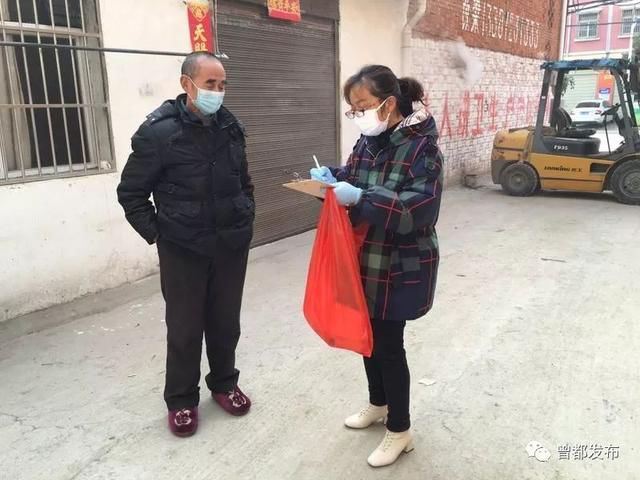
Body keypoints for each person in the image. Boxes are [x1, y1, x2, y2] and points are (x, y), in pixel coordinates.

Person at [310, 65, 443, 467]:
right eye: (353, 109)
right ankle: (378, 403)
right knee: (367, 337)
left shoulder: (423, 148)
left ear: (388, 103)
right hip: (365, 257)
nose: (358, 115)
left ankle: (400, 430)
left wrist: (359, 198)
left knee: (388, 345)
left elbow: (419, 209)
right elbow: (355, 176)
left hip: (399, 263)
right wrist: (331, 179)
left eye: (362, 106)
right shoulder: (369, 142)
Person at [117, 52, 255, 437]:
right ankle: (181, 400)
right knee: (185, 329)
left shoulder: (230, 127)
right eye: (210, 84)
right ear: (186, 84)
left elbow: (244, 181)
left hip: (229, 245)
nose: (218, 92)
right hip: (183, 251)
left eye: (222, 85)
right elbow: (131, 193)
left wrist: (245, 215)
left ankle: (224, 383)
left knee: (226, 323)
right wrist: (159, 234)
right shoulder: (158, 133)